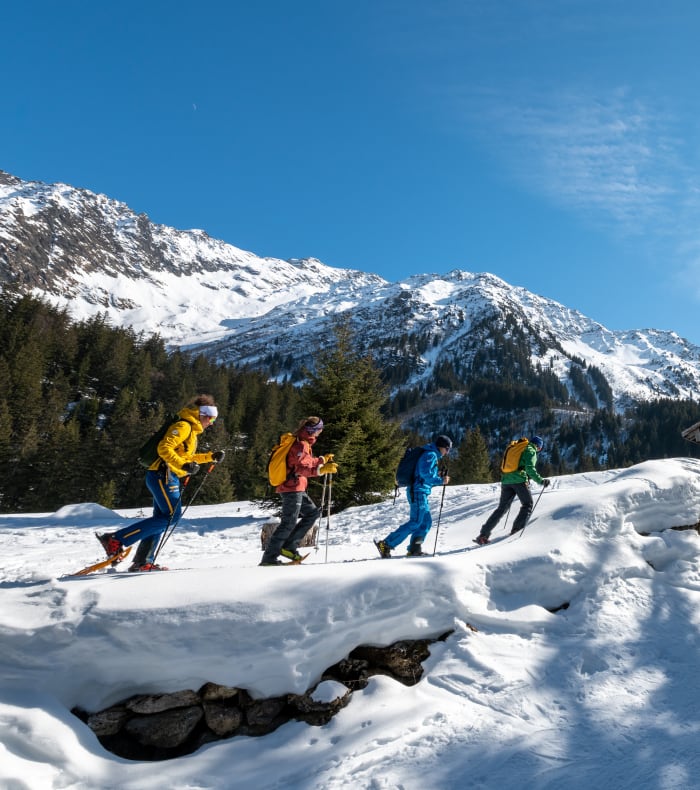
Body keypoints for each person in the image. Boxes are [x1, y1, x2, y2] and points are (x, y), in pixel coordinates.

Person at [96, 394, 225, 572]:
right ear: (201, 414)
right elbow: (164, 448)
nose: (211, 423)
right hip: (163, 475)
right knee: (171, 517)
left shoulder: (191, 430)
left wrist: (210, 457)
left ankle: (142, 562)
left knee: (161, 519)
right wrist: (182, 465)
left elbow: (185, 456)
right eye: (211, 419)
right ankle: (116, 539)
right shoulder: (184, 426)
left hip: (166, 476)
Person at [259, 416, 337, 566]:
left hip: (296, 487)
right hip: (292, 488)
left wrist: (321, 460)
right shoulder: (301, 445)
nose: (321, 431)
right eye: (320, 429)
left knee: (313, 513)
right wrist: (321, 470)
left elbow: (306, 461)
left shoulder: (302, 442)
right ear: (313, 430)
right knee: (288, 522)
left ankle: (289, 547)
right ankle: (269, 558)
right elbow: (302, 468)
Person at [376, 435, 452, 558]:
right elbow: (425, 474)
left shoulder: (430, 453)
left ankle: (415, 548)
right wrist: (441, 480)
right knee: (416, 521)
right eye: (447, 449)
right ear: (442, 447)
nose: (447, 452)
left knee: (425, 522)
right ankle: (386, 544)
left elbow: (423, 473)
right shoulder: (430, 454)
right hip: (417, 492)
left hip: (420, 491)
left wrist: (437, 475)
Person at [475, 435, 550, 545]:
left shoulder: (518, 447)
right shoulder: (531, 450)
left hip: (506, 480)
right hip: (519, 480)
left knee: (501, 509)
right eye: (540, 448)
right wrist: (541, 481)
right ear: (538, 447)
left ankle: (483, 535)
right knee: (528, 504)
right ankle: (516, 530)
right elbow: (530, 468)